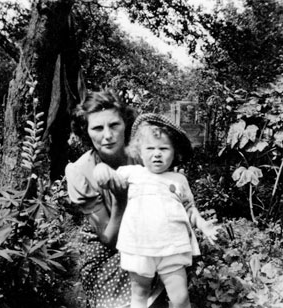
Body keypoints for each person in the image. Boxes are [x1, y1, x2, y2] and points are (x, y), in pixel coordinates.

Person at [93, 113, 219, 308]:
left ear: (174, 153)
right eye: (150, 148)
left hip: (172, 248)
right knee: (139, 295)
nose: (157, 153)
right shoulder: (131, 173)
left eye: (164, 148)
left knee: (180, 298)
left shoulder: (178, 180)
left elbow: (189, 209)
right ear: (139, 152)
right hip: (139, 247)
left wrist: (203, 225)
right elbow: (107, 177)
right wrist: (101, 169)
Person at [65, 91, 165, 308]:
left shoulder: (144, 156)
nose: (108, 135)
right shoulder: (81, 172)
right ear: (86, 132)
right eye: (98, 128)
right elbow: (109, 239)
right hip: (109, 249)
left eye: (114, 125)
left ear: (125, 125)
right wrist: (121, 200)